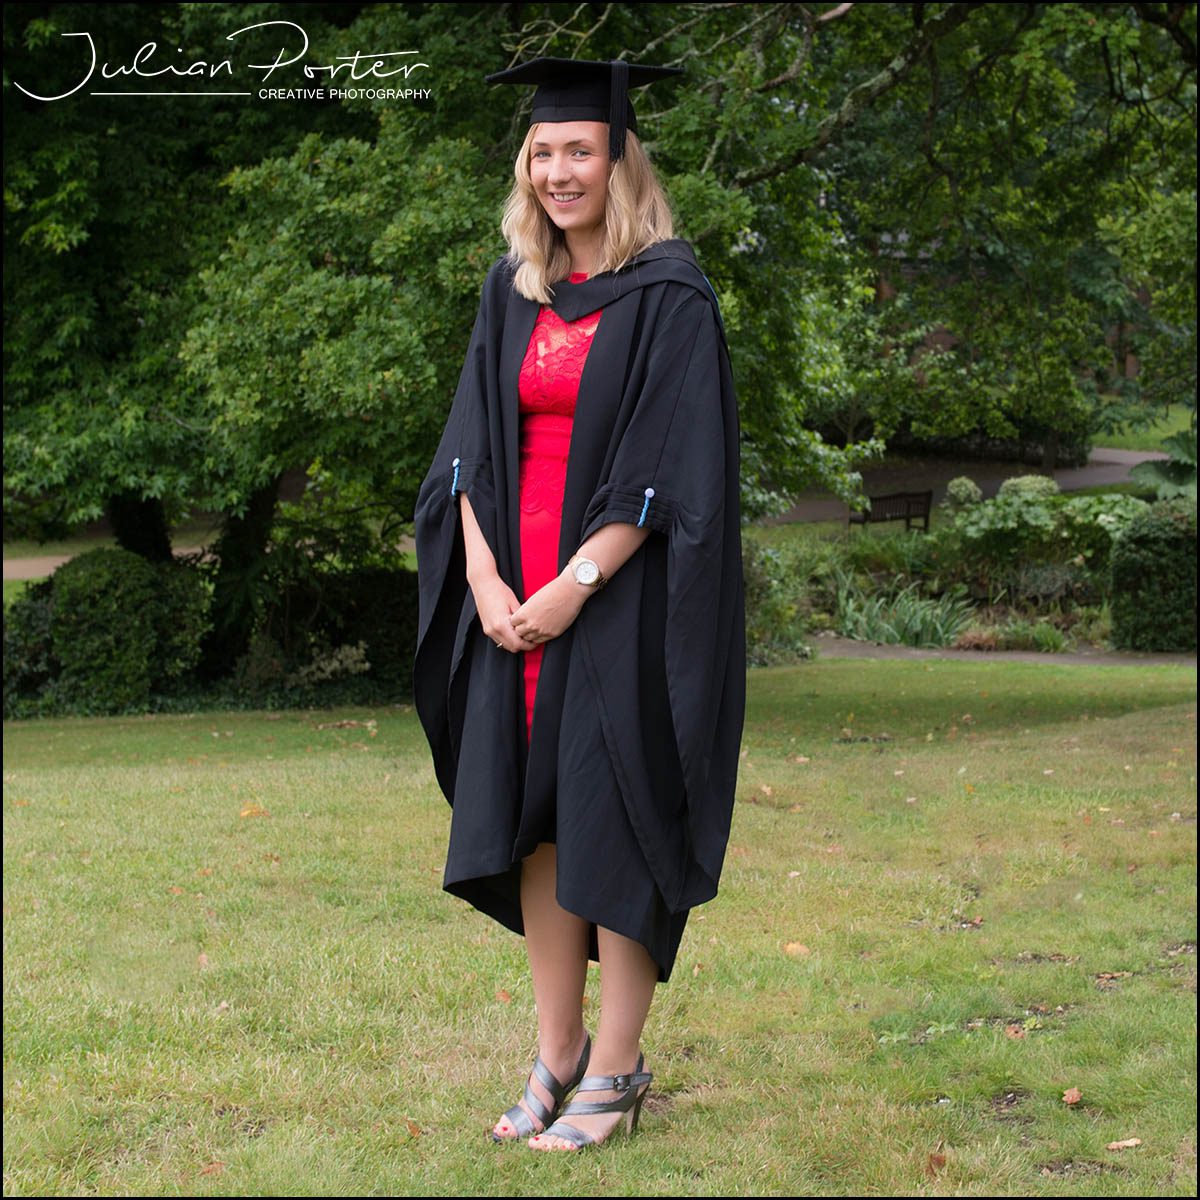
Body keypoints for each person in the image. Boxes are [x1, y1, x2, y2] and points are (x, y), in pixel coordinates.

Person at [412, 56, 746, 1152]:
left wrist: (569, 589)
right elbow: (466, 454)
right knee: (538, 822)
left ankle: (617, 1064)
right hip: (513, 602)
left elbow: (670, 470)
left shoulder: (671, 297)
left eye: (580, 152)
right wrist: (487, 583)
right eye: (543, 153)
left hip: (619, 600)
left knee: (616, 820)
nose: (560, 172)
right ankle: (555, 1053)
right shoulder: (513, 290)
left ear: (620, 163)